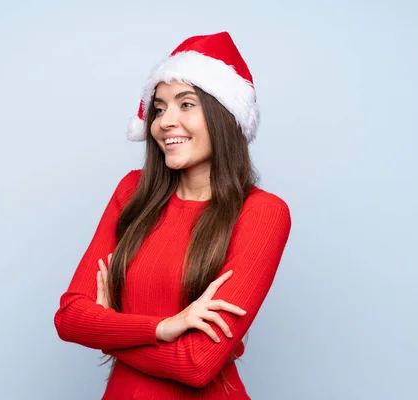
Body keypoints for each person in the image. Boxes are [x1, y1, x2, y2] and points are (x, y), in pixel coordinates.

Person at [54, 31, 292, 399]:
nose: (166, 121)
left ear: (224, 115)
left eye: (186, 104)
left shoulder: (262, 213)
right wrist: (164, 328)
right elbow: (70, 318)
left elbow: (197, 364)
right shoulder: (132, 193)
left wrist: (108, 329)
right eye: (160, 107)